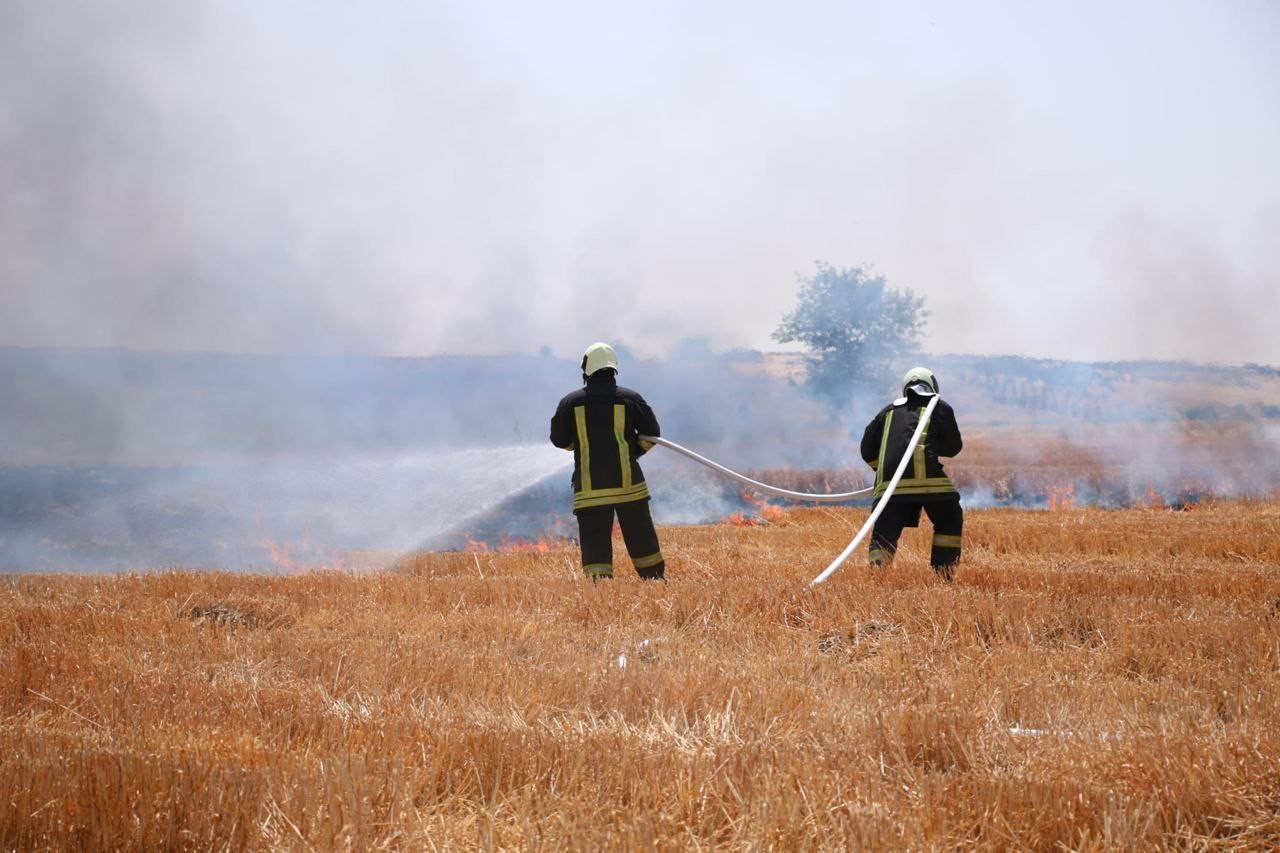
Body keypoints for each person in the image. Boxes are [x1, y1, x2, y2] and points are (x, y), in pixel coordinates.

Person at [549, 343, 666, 580]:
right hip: (629, 488)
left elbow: (559, 440)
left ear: (586, 370)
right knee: (641, 536)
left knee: (594, 541)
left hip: (591, 491)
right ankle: (654, 580)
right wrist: (631, 453)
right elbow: (652, 435)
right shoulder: (631, 399)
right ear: (613, 369)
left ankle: (599, 588)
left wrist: (581, 446)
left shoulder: (570, 403)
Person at [859, 366, 964, 580]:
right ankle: (943, 575)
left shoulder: (887, 412)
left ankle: (878, 576)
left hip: (890, 486)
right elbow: (953, 448)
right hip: (931, 483)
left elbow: (867, 450)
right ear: (933, 386)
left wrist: (883, 468)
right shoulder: (940, 407)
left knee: (884, 531)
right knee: (949, 519)